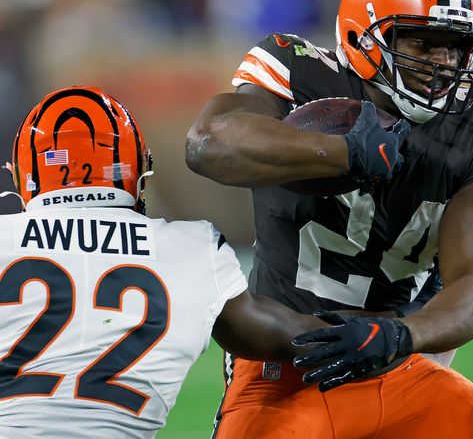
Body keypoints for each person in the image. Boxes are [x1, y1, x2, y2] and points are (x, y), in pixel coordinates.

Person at [186, 0, 473, 438]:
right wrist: (344, 151)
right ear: (363, 35)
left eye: (455, 45)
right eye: (422, 42)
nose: (444, 62)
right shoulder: (301, 72)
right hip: (284, 361)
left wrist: (400, 335)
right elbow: (207, 143)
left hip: (395, 362)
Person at [0, 86, 325, 438]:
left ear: (22, 175)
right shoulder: (191, 248)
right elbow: (285, 338)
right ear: (137, 170)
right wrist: (387, 333)